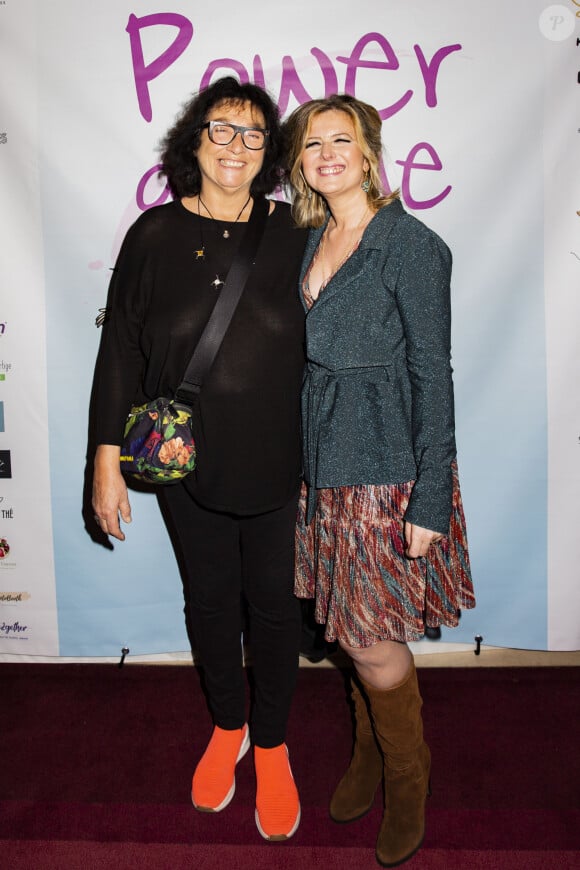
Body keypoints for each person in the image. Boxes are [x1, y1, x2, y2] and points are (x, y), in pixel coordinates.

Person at [91, 76, 308, 842]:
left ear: (269, 153)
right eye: (221, 129)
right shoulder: (152, 234)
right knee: (211, 603)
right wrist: (105, 460)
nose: (236, 146)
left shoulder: (293, 230)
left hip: (283, 464)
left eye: (253, 134)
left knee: (276, 611)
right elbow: (119, 349)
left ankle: (274, 744)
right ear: (195, 141)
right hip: (185, 467)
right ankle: (228, 727)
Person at [284, 94, 475, 867]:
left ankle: (409, 777)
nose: (327, 153)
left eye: (343, 140)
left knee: (370, 639)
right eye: (312, 144)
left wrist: (432, 492)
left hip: (387, 469)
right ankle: (368, 755)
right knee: (349, 632)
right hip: (323, 463)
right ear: (299, 162)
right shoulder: (311, 238)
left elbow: (434, 373)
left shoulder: (410, 244)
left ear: (369, 152)